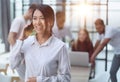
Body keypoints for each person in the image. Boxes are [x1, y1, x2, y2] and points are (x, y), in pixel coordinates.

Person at [9, 4, 71, 82]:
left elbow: (66, 78)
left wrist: (40, 80)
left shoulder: (60, 47)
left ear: (50, 21)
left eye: (42, 18)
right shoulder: (27, 43)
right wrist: (21, 39)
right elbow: (12, 64)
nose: (37, 22)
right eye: (34, 18)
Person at [8, 4, 37, 81]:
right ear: (30, 11)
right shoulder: (19, 20)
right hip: (17, 55)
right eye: (34, 15)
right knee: (26, 78)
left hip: (22, 54)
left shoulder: (26, 21)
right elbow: (11, 38)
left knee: (27, 76)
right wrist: (16, 53)